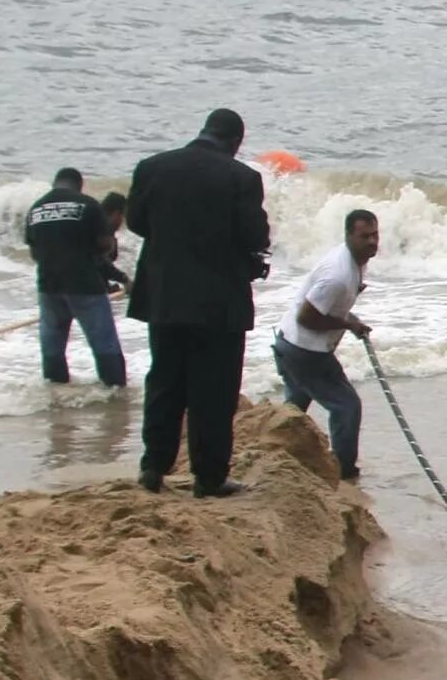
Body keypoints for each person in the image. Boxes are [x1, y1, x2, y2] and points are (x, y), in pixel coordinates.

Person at [126, 108, 270, 497]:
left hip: (165, 295)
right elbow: (255, 236)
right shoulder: (242, 178)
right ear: (236, 141)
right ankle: (208, 477)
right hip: (218, 301)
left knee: (165, 381)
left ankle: (153, 467)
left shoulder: (152, 167)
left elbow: (137, 223)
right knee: (215, 391)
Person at [272, 210, 377, 482]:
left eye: (375, 235)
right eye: (364, 236)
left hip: (289, 343)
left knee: (294, 410)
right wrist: (346, 325)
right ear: (348, 236)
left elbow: (332, 307)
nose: (372, 242)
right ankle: (343, 473)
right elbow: (306, 317)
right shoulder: (337, 275)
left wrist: (350, 320)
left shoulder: (356, 262)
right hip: (304, 351)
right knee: (346, 406)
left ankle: (275, 455)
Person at [24, 168, 127, 386]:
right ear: (80, 184)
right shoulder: (87, 205)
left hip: (49, 286)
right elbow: (103, 246)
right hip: (84, 286)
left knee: (52, 347)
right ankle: (115, 394)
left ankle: (56, 393)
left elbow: (35, 254)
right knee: (104, 345)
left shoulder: (35, 209)